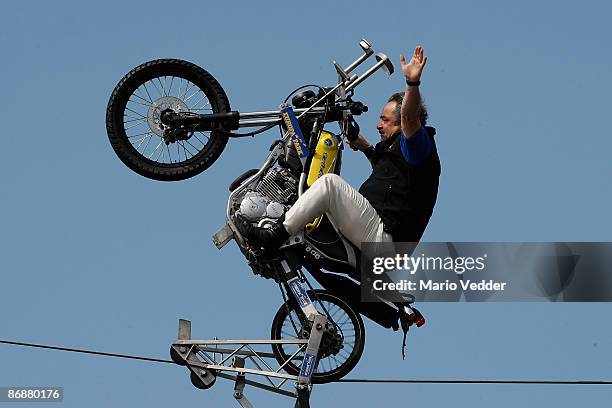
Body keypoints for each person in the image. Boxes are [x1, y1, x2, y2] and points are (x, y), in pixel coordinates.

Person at [235, 45, 440, 252]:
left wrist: (412, 83)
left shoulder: (419, 146)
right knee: (313, 207)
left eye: (385, 120)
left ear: (402, 123)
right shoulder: (398, 151)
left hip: (384, 239)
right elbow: (393, 173)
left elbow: (409, 119)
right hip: (380, 237)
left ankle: (273, 236)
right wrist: (365, 147)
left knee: (329, 185)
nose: (379, 125)